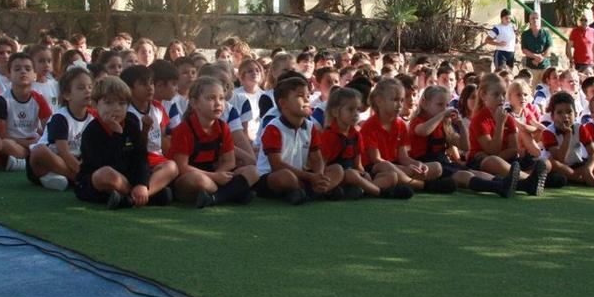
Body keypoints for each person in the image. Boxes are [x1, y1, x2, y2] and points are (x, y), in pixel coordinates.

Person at [169, 76, 259, 207]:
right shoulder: (183, 129)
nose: (218, 103)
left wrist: (218, 174)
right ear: (194, 103)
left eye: (221, 98)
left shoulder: (223, 127)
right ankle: (234, 193)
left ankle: (215, 198)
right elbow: (182, 167)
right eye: (211, 98)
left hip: (216, 174)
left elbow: (230, 161)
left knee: (253, 171)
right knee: (198, 180)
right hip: (190, 177)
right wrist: (215, 177)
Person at [254, 75, 342, 205]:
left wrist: (319, 176)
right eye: (300, 96)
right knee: (286, 177)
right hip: (272, 176)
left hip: (301, 176)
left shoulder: (310, 127)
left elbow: (317, 159)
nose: (307, 100)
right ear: (283, 103)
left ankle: (311, 191)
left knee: (337, 170)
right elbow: (277, 165)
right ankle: (316, 192)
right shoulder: (273, 128)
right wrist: (311, 177)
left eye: (308, 95)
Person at [360, 78, 455, 196]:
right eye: (395, 100)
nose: (399, 105)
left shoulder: (400, 125)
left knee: (437, 167)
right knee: (390, 172)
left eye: (401, 100)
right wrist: (404, 169)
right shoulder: (370, 126)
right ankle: (423, 185)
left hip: (395, 168)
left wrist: (417, 164)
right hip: (376, 169)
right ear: (379, 101)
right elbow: (376, 160)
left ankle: (392, 186)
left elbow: (403, 157)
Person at [75, 75, 152, 209]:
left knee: (169, 167)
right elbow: (106, 164)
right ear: (95, 104)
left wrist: (141, 184)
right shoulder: (91, 131)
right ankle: (135, 197)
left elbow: (140, 158)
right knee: (105, 174)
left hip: (128, 177)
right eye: (109, 103)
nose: (116, 108)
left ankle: (133, 196)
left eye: (121, 103)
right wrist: (117, 136)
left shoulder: (131, 124)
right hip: (100, 180)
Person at [120, 63, 180, 204]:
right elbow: (132, 147)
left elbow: (163, 138)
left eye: (151, 83)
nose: (150, 87)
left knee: (173, 167)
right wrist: (145, 130)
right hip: (137, 160)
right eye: (143, 84)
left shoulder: (157, 107)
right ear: (129, 88)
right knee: (171, 169)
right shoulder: (126, 112)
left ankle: (137, 196)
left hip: (157, 160)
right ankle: (144, 195)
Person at [28, 65, 94, 191]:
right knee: (39, 151)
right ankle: (81, 180)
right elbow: (63, 152)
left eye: (90, 87)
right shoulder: (61, 117)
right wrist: (83, 173)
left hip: (73, 161)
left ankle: (56, 178)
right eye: (81, 88)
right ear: (67, 95)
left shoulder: (92, 118)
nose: (88, 91)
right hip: (49, 159)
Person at [0, 51, 52, 172]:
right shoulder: (2, 101)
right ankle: (30, 160)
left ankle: (24, 161)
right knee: (2, 144)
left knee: (47, 146)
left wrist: (39, 142)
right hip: (11, 144)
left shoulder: (39, 99)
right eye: (17, 69)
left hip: (33, 142)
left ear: (34, 75)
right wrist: (27, 144)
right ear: (9, 74)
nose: (23, 72)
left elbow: (47, 130)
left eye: (28, 69)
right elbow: (2, 136)